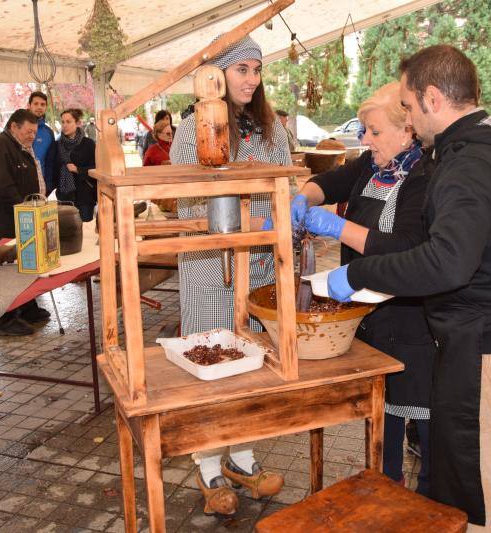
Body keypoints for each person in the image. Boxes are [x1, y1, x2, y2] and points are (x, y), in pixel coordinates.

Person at [323, 45, 491, 530]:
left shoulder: (468, 165)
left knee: (476, 488)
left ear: (431, 98)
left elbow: (445, 263)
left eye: (406, 105)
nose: (407, 117)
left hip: (486, 344)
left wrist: (357, 275)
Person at [288, 82, 434, 495]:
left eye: (373, 130)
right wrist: (303, 198)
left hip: (414, 321)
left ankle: (428, 504)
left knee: (425, 420)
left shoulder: (424, 179)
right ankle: (385, 491)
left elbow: (404, 248)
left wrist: (336, 227)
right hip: (369, 315)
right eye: (364, 131)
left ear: (407, 129)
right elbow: (327, 181)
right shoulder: (372, 165)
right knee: (380, 418)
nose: (363, 139)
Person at [170, 35, 291, 517]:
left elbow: (286, 184)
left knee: (251, 365)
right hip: (208, 265)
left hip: (257, 262)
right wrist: (233, 176)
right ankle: (208, 467)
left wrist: (270, 185)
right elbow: (182, 196)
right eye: (241, 70)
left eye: (256, 70)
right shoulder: (191, 127)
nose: (251, 80)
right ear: (215, 76)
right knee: (212, 365)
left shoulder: (271, 127)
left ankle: (242, 459)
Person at [0, 109, 50, 336]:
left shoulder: (20, 147)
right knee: (6, 272)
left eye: (34, 132)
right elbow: (1, 186)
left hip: (20, 218)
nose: (32, 136)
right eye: (28, 131)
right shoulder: (0, 146)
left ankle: (26, 307)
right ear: (14, 127)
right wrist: (25, 208)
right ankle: (5, 319)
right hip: (1, 221)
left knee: (24, 266)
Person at [54, 108, 97, 222]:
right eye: (63, 122)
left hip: (85, 196)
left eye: (68, 122)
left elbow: (97, 167)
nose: (64, 125)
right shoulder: (57, 145)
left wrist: (78, 170)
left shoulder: (88, 144)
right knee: (68, 232)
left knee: (86, 232)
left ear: (78, 123)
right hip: (65, 197)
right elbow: (53, 169)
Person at [27, 91, 58, 194]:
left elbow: (51, 161)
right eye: (36, 104)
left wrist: (49, 185)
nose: (39, 107)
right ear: (29, 105)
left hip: (42, 187)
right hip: (22, 185)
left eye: (42, 104)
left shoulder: (48, 132)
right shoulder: (18, 128)